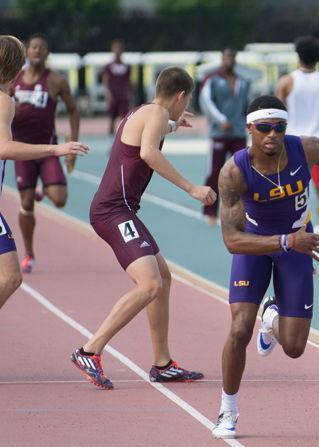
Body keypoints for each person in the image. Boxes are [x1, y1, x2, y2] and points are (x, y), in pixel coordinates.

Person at [211, 95, 319, 438]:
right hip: (255, 245)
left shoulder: (304, 149)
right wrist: (288, 241)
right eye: (263, 128)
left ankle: (271, 316)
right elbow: (232, 241)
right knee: (239, 329)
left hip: (297, 244)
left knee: (294, 348)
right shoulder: (234, 171)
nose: (272, 134)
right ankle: (227, 410)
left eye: (279, 127)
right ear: (249, 129)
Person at [70, 67, 216, 390]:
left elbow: (148, 136)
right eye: (186, 99)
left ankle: (162, 363)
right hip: (112, 212)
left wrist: (175, 124)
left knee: (163, 279)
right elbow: (149, 153)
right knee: (150, 285)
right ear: (181, 96)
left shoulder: (148, 112)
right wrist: (192, 188)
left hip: (121, 211)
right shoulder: (154, 114)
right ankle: (89, 349)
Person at [0, 35, 88, 310]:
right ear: (15, 68)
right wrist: (56, 150)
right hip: (31, 149)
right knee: (12, 277)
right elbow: (3, 147)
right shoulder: (4, 101)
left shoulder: (53, 81)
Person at [11, 33, 81, 274]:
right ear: (26, 53)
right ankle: (29, 253)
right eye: (33, 48)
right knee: (26, 203)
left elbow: (73, 110)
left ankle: (43, 190)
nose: (37, 51)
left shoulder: (55, 81)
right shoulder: (14, 80)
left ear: (47, 53)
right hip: (22, 151)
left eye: (42, 48)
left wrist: (72, 142)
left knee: (60, 199)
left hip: (48, 149)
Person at [276, 36, 319, 233]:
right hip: (318, 143)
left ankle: (289, 227)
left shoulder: (287, 81)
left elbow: (277, 113)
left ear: (298, 56)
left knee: (289, 191)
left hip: (293, 144)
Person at [199, 48, 250, 225]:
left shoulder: (243, 81)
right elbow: (206, 102)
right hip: (219, 133)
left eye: (233, 56)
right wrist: (221, 120)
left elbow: (247, 105)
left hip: (238, 133)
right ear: (222, 58)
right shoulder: (212, 79)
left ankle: (241, 211)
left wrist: (249, 122)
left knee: (241, 173)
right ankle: (210, 211)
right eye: (227, 56)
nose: (230, 59)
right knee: (214, 172)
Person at [102, 38, 132, 135]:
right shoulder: (109, 66)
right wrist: (108, 93)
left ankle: (122, 137)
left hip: (123, 95)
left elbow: (129, 81)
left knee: (124, 118)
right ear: (112, 49)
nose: (117, 50)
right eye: (116, 48)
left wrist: (130, 95)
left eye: (119, 48)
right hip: (113, 95)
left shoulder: (127, 66)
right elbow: (105, 80)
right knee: (111, 118)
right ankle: (110, 138)